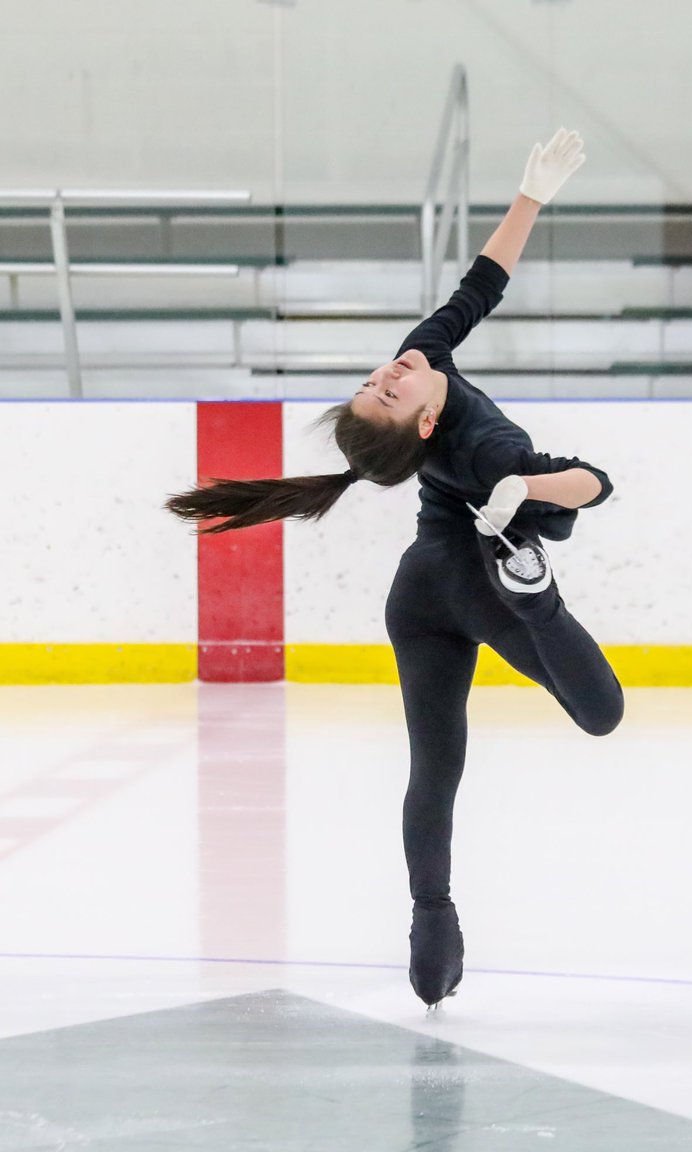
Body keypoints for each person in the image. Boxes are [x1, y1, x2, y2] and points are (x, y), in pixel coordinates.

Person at [166, 128, 625, 1010]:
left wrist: (530, 194)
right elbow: (597, 485)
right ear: (418, 429)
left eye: (372, 378)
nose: (388, 370)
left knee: (434, 767)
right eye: (386, 390)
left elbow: (478, 287)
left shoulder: (424, 358)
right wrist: (526, 481)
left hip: (417, 593)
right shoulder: (487, 445)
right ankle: (540, 599)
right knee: (600, 712)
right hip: (473, 586)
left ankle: (432, 926)